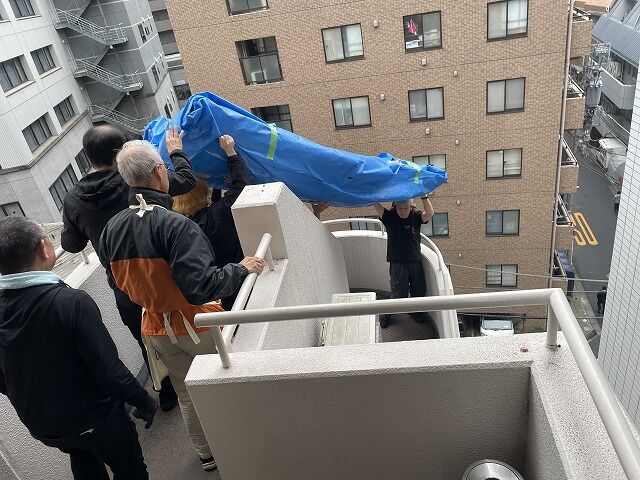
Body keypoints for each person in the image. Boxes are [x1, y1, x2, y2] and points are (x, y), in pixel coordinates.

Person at [98, 139, 265, 471]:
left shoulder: (110, 230)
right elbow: (202, 287)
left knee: (187, 394)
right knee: (229, 384)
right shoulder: (175, 226)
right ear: (160, 171)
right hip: (197, 325)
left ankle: (206, 454)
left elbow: (116, 283)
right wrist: (241, 268)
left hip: (155, 326)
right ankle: (248, 449)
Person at [0, 217, 157, 480]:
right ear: (44, 248)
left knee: (82, 453)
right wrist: (143, 400)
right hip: (94, 416)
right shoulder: (70, 303)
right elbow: (109, 370)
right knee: (130, 469)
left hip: (46, 426)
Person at [61, 124, 197, 412]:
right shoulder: (134, 180)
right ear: (119, 153)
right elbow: (185, 181)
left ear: (88, 156)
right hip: (164, 274)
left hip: (124, 285)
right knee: (187, 327)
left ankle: (167, 393)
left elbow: (71, 245)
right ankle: (201, 382)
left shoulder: (73, 199)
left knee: (147, 336)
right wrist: (176, 152)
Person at [172, 135, 248, 310]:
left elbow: (214, 205)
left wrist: (218, 186)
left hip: (221, 286)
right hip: (241, 274)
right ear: (201, 194)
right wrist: (230, 152)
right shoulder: (216, 215)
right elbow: (241, 188)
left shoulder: (182, 225)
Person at [374, 196, 434, 328]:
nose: (403, 211)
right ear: (395, 206)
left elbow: (429, 214)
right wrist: (371, 194)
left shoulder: (416, 217)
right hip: (397, 263)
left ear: (411, 207)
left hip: (415, 261)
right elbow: (375, 204)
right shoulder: (390, 217)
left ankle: (413, 311)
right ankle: (386, 314)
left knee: (418, 290)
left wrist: (424, 197)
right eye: (400, 208)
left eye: (406, 208)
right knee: (399, 294)